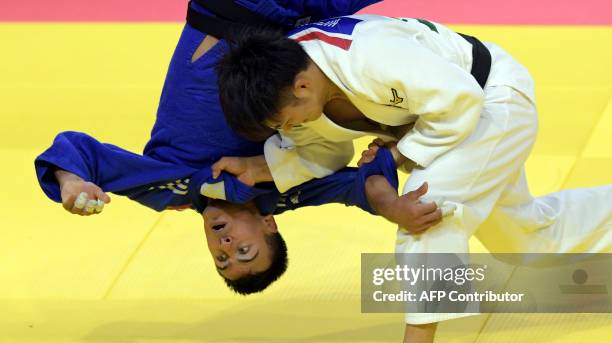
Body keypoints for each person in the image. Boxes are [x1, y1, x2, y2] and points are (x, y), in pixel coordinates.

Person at [215, 14, 612, 343]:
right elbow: (324, 150)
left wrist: (399, 152)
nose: (288, 128)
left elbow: (462, 102)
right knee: (529, 243)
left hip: (491, 100)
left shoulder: (371, 56)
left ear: (302, 86)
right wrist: (259, 168)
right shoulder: (289, 80)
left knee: (425, 213)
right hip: (443, 121)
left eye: (285, 121)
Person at [35, 1, 412, 289]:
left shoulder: (168, 188)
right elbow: (357, 187)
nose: (227, 246)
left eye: (221, 259)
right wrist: (394, 200)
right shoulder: (285, 191)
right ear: (269, 225)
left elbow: (80, 151)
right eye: (242, 251)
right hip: (302, 21)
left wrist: (71, 183)